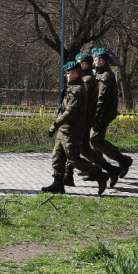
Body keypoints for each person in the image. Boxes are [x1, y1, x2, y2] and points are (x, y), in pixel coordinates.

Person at [42, 61, 110, 195]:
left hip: (72, 130)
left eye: (68, 73)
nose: (66, 76)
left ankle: (99, 175)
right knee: (57, 157)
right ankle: (58, 183)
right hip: (64, 130)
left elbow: (70, 112)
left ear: (75, 73)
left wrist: (55, 125)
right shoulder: (70, 88)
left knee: (74, 159)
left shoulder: (78, 90)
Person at [63, 52, 119, 187]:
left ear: (84, 64)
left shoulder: (86, 80)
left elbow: (87, 102)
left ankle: (106, 171)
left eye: (78, 62)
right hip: (79, 120)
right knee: (75, 148)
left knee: (78, 149)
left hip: (82, 120)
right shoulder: (81, 80)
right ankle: (66, 177)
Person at [89, 47, 133, 177]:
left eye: (95, 60)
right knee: (95, 140)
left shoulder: (105, 76)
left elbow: (102, 98)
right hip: (99, 113)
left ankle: (122, 160)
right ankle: (98, 170)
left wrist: (97, 116)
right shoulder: (100, 74)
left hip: (104, 113)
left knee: (95, 139)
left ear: (102, 60)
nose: (94, 62)